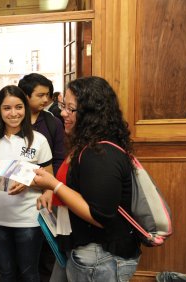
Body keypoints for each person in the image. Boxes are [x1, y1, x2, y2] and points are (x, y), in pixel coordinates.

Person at [34, 76, 141, 282]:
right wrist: (52, 190)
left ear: (91, 114)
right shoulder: (84, 144)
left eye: (71, 109)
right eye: (63, 105)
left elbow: (100, 216)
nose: (63, 113)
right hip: (81, 247)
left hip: (100, 256)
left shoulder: (100, 154)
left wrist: (53, 185)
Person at [0, 85, 53, 282]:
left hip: (28, 220)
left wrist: (27, 181)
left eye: (19, 107)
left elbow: (50, 183)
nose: (13, 113)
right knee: (6, 273)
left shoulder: (39, 140)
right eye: (7, 108)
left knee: (29, 274)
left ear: (26, 109)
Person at [18, 73, 65, 175]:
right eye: (40, 95)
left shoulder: (54, 123)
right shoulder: (13, 122)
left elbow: (59, 160)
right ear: (25, 96)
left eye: (47, 95)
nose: (46, 100)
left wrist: (50, 184)